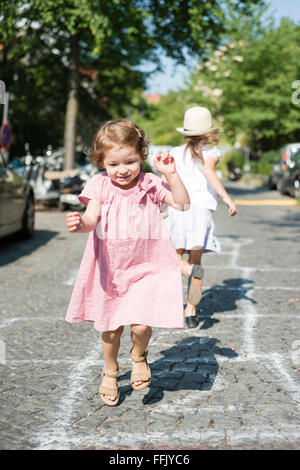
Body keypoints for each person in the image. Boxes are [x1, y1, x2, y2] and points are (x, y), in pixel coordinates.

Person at [65, 119, 190, 406]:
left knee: (142, 326)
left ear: (141, 156)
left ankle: (139, 355)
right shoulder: (99, 185)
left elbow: (182, 204)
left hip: (148, 267)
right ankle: (110, 371)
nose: (123, 170)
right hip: (111, 270)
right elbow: (90, 220)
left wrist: (171, 175)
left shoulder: (149, 183)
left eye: (130, 161)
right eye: (114, 164)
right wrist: (79, 223)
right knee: (110, 329)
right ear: (101, 162)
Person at [165, 106, 237, 329]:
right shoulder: (212, 152)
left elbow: (164, 180)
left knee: (171, 260)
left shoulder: (174, 153)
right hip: (200, 210)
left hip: (177, 207)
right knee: (196, 263)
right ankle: (191, 311)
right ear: (208, 132)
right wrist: (226, 197)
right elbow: (208, 172)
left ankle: (168, 306)